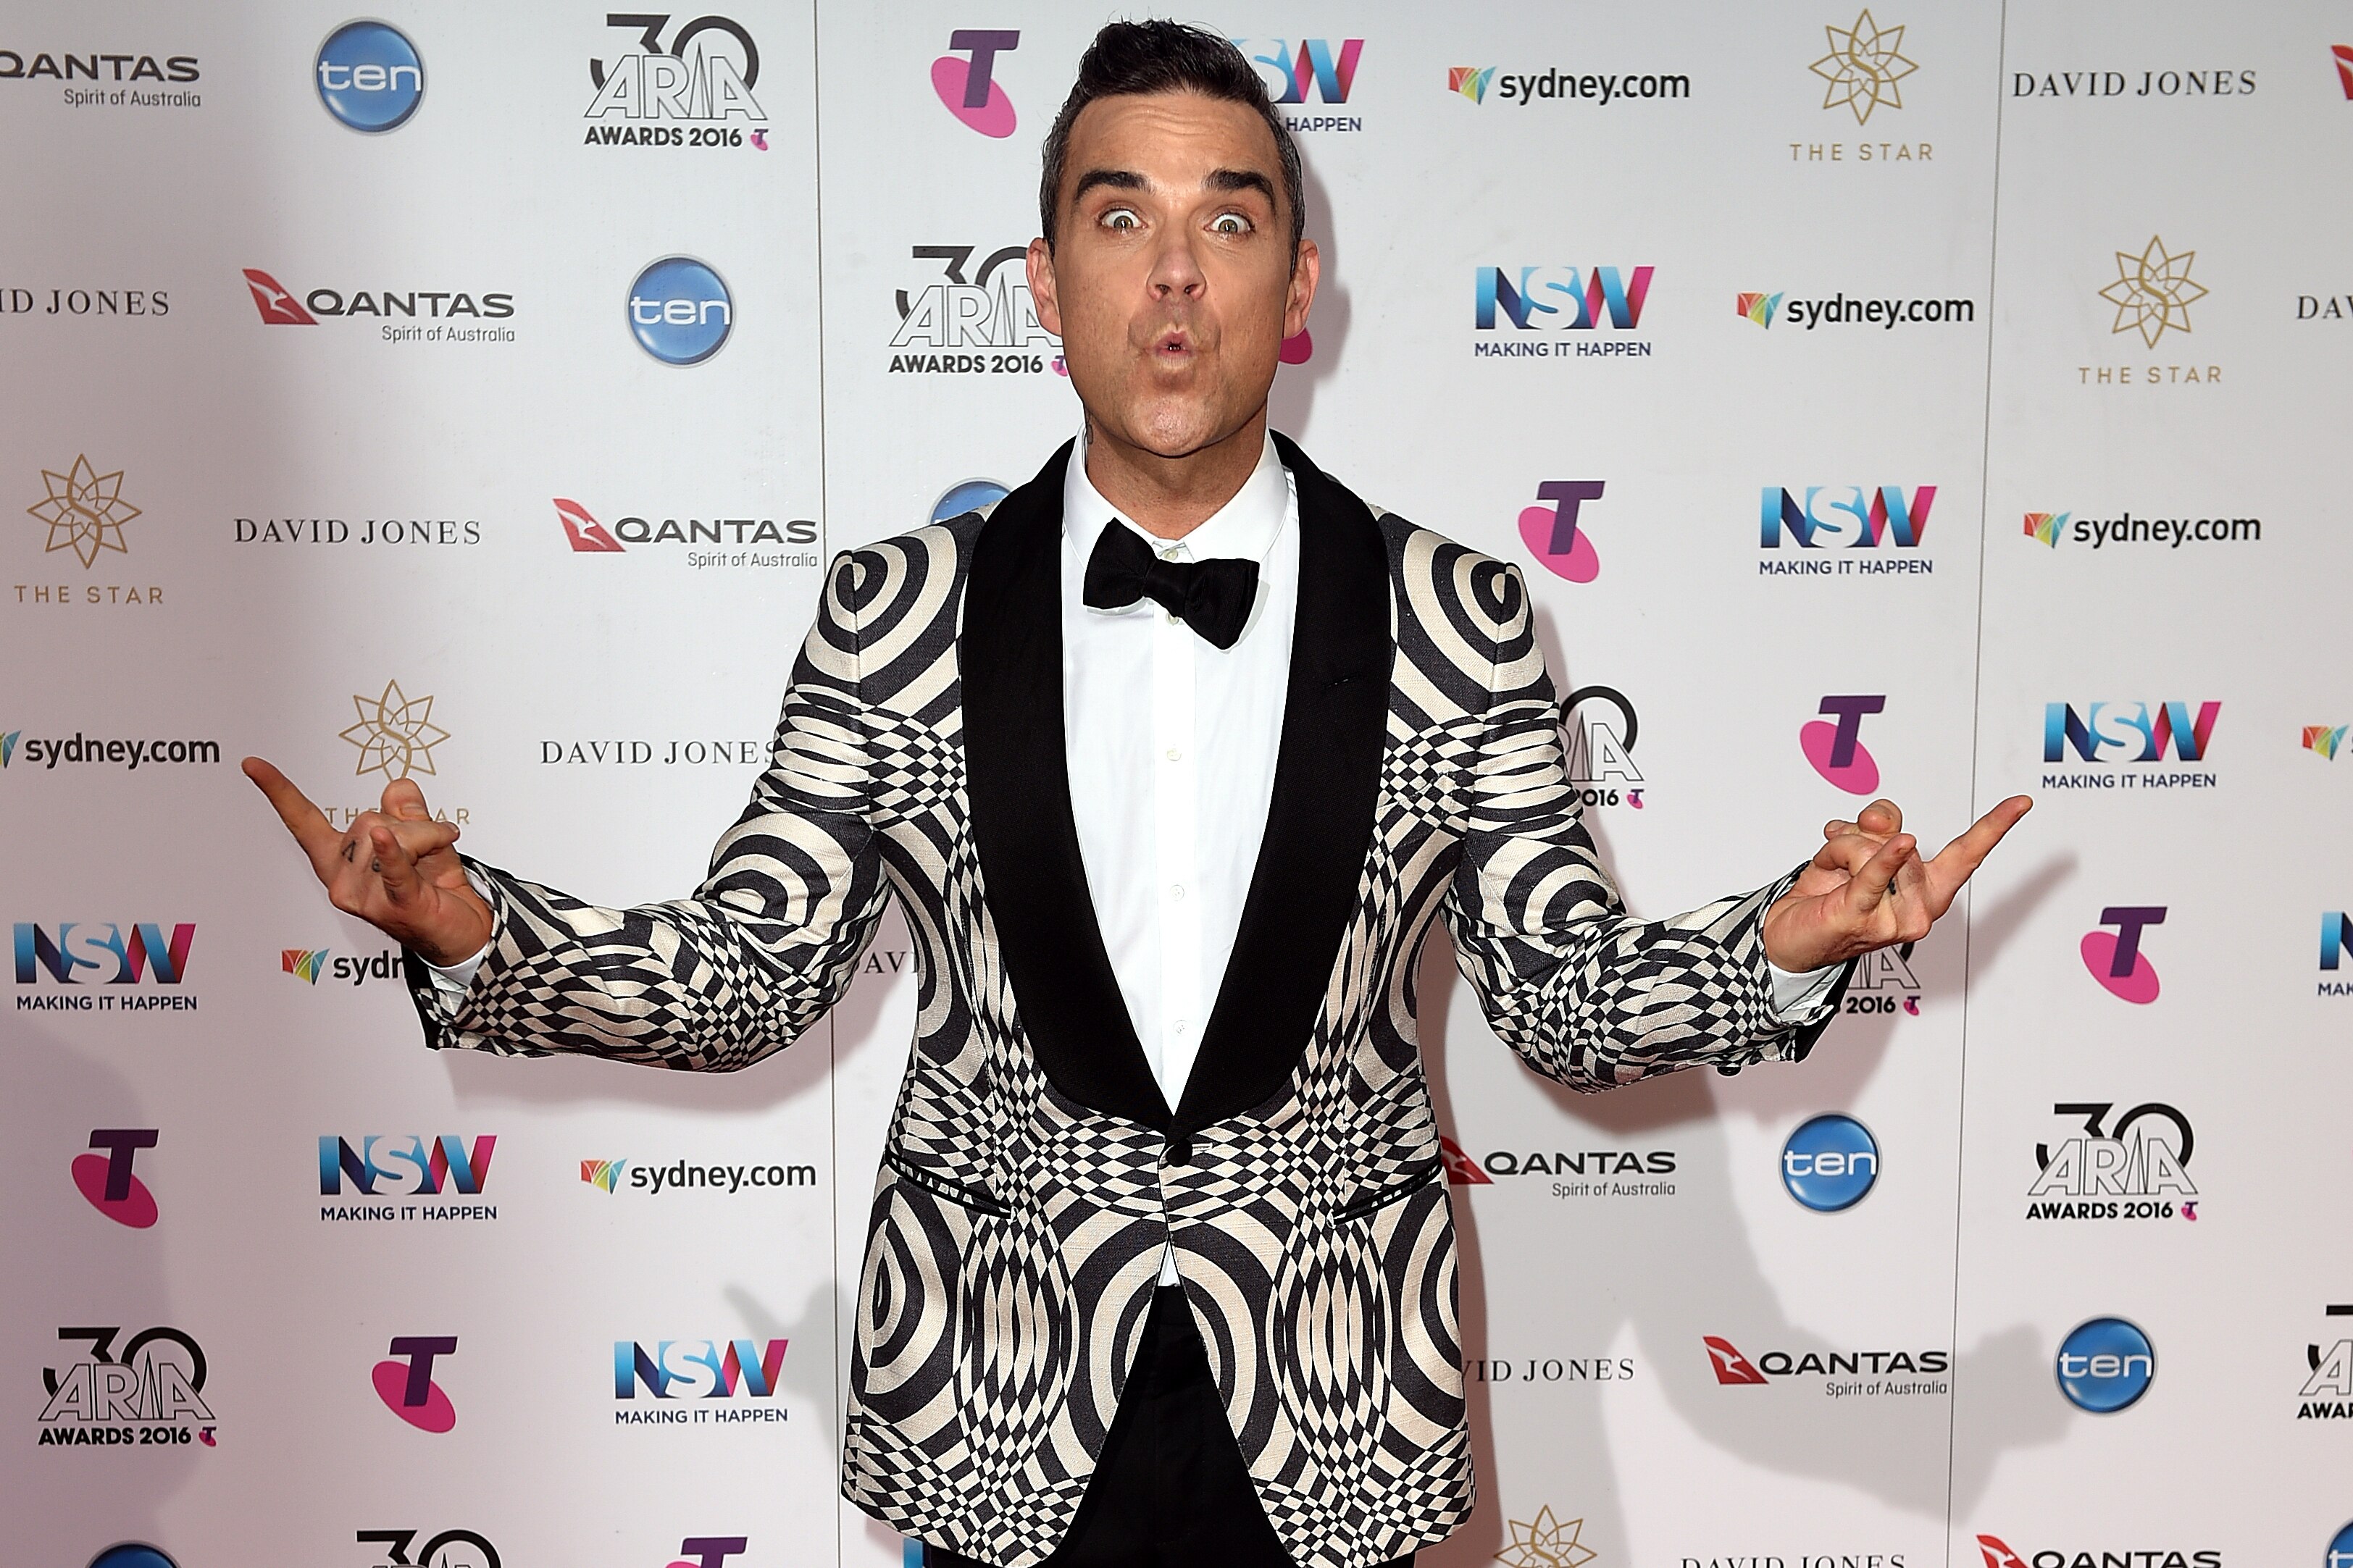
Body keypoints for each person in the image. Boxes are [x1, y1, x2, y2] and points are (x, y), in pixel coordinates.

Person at [245, 21, 2028, 1568]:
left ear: (1295, 288)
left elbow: (1565, 996)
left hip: (1339, 1414)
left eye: (1227, 222)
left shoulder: (1460, 617)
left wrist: (1785, 943)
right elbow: (752, 971)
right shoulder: (899, 614)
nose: (1173, 278)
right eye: (1122, 219)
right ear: (1045, 280)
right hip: (998, 1412)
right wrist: (469, 929)